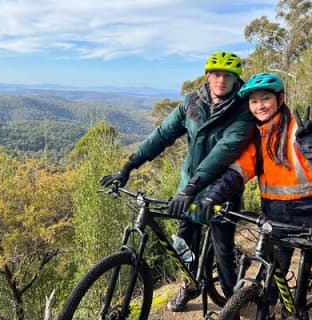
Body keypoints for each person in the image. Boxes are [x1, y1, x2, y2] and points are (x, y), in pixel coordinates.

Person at [100, 51, 256, 312]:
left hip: (221, 190)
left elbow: (223, 153)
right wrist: (128, 166)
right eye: (216, 74)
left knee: (223, 250)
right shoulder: (192, 102)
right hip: (189, 188)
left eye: (227, 75)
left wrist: (190, 190)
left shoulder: (243, 110)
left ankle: (233, 305)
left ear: (235, 78)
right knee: (184, 243)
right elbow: (162, 134)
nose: (221, 79)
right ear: (208, 76)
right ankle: (190, 284)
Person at [201, 72, 312, 317]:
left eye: (265, 99)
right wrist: (212, 196)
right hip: (276, 220)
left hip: (308, 218)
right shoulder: (259, 136)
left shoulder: (300, 130)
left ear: (280, 99)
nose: (259, 106)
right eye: (253, 101)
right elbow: (239, 171)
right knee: (272, 282)